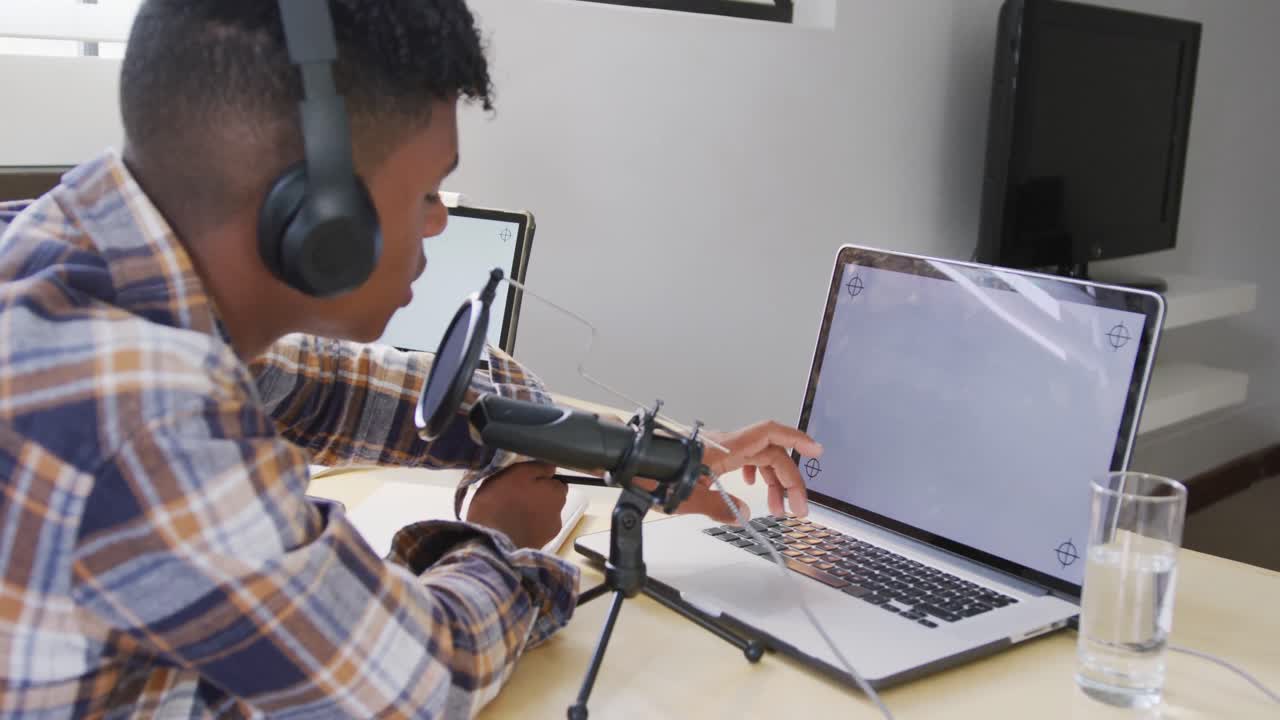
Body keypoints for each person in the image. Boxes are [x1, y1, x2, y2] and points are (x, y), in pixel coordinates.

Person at [0, 1, 822, 716]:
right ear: (318, 218)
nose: (437, 225)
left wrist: (649, 450)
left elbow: (352, 393)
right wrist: (501, 544)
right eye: (428, 193)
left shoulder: (76, 255)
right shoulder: (140, 409)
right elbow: (413, 684)